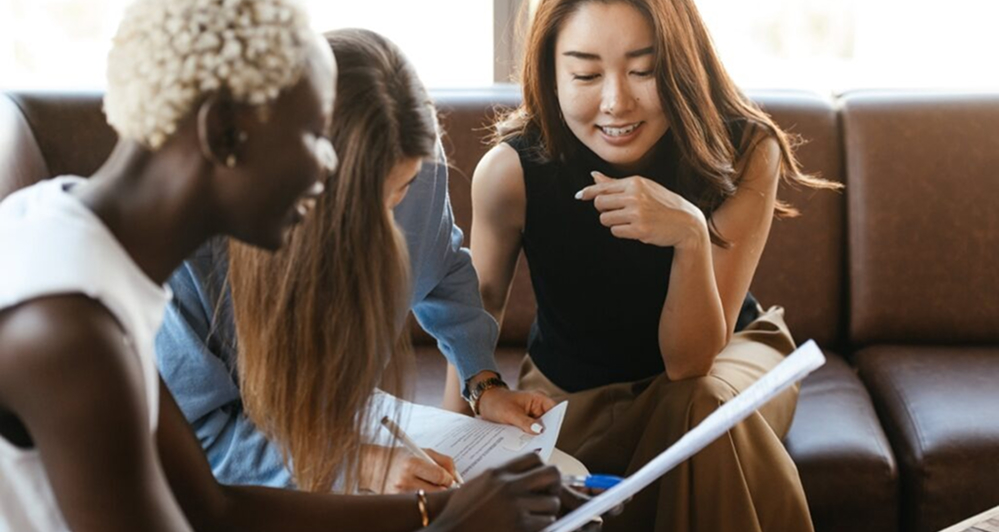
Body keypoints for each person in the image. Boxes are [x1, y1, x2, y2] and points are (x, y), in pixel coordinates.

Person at [0, 1, 566, 531]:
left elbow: (214, 508)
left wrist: (441, 509)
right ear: (225, 134)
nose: (327, 165)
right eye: (313, 132)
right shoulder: (67, 330)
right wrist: (447, 521)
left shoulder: (86, 248)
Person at [451, 0, 843, 531]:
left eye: (644, 70)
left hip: (727, 362)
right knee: (694, 422)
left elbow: (690, 362)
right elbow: (477, 309)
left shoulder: (748, 149)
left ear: (681, 63)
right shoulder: (510, 171)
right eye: (586, 73)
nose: (616, 102)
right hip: (574, 388)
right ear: (550, 74)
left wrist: (690, 236)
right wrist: (449, 449)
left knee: (698, 407)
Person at [155, 29, 556, 493]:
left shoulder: (419, 170)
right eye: (366, 203)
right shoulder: (190, 248)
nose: (389, 224)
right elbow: (197, 441)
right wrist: (359, 466)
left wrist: (483, 383)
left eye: (401, 190)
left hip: (343, 431)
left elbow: (442, 269)